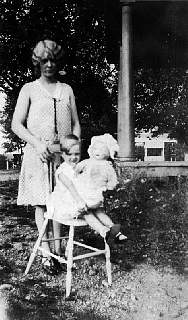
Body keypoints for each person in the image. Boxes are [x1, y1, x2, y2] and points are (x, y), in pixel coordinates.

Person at [11, 40, 81, 272]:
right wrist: (37, 143)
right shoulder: (29, 89)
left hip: (61, 156)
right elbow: (16, 125)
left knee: (60, 202)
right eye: (44, 60)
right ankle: (45, 253)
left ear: (58, 62)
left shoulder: (67, 90)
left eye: (53, 60)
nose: (49, 64)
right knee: (42, 204)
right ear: (38, 63)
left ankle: (59, 250)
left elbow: (75, 124)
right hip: (38, 155)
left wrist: (72, 148)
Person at [48, 134, 127, 249]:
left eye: (77, 154)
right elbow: (71, 187)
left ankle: (114, 230)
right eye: (70, 154)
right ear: (62, 154)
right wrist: (80, 201)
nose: (74, 157)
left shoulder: (79, 166)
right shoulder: (62, 170)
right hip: (67, 201)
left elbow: (88, 179)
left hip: (81, 196)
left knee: (99, 210)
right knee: (87, 212)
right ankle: (104, 231)